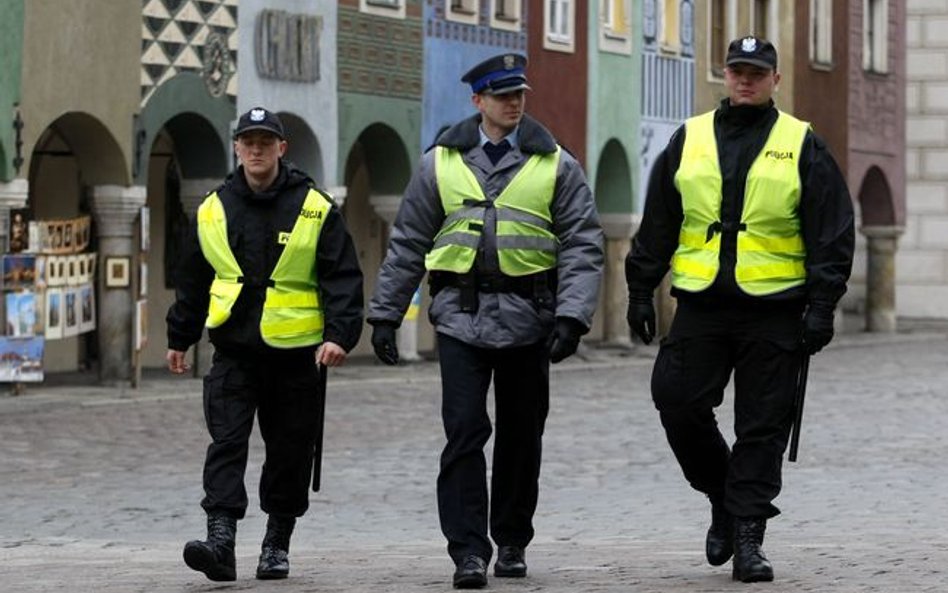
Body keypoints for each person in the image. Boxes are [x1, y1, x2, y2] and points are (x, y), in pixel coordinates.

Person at [367, 53, 604, 589]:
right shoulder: (440, 163)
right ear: (478, 102)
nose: (514, 103)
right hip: (460, 319)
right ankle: (468, 551)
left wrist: (572, 315)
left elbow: (583, 242)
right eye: (501, 95)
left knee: (522, 436)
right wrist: (385, 313)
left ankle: (513, 539)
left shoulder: (557, 163)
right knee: (464, 433)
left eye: (519, 94)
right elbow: (407, 241)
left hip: (531, 318)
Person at [625, 36, 855, 583]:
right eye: (737, 71)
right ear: (724, 76)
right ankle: (723, 496)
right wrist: (639, 288)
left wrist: (822, 305)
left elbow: (832, 230)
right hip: (703, 304)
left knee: (763, 426)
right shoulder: (691, 138)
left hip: (776, 309)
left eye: (757, 72)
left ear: (775, 80)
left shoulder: (802, 143)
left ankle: (749, 536)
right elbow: (659, 219)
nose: (746, 80)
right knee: (676, 401)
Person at [165, 106, 364, 582]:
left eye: (265, 141)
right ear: (236, 147)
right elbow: (192, 278)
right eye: (247, 141)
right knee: (227, 443)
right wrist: (181, 336)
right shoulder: (214, 207)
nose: (255, 149)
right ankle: (221, 541)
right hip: (233, 349)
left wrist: (339, 335)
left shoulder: (314, 206)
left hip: (296, 356)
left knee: (290, 451)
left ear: (281, 148)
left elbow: (342, 276)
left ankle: (277, 542)